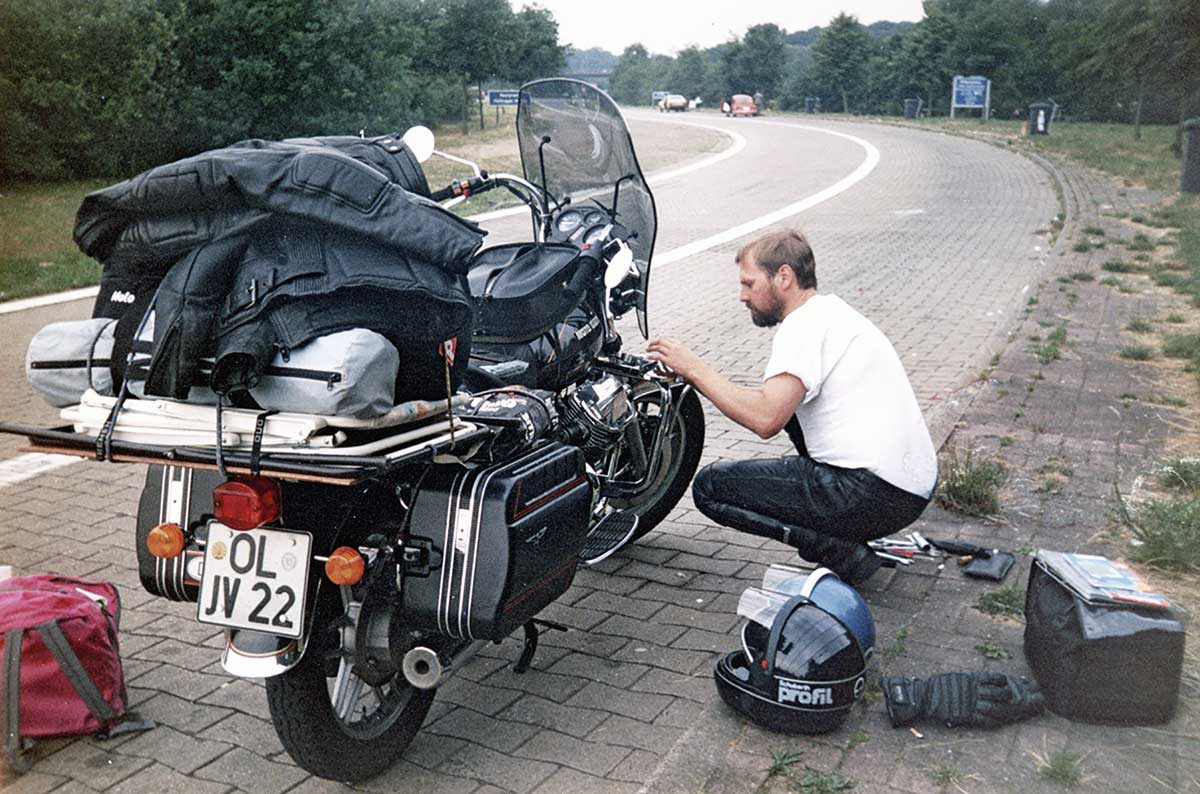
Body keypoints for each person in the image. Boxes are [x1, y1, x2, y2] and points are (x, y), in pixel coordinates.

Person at [646, 228, 937, 585]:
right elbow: (774, 405)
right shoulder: (832, 313)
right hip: (910, 487)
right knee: (791, 414)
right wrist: (698, 378)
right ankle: (846, 538)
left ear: (783, 277)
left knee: (709, 488)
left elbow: (765, 418)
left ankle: (842, 552)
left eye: (749, 284)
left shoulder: (802, 327)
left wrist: (693, 368)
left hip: (872, 492)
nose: (742, 296)